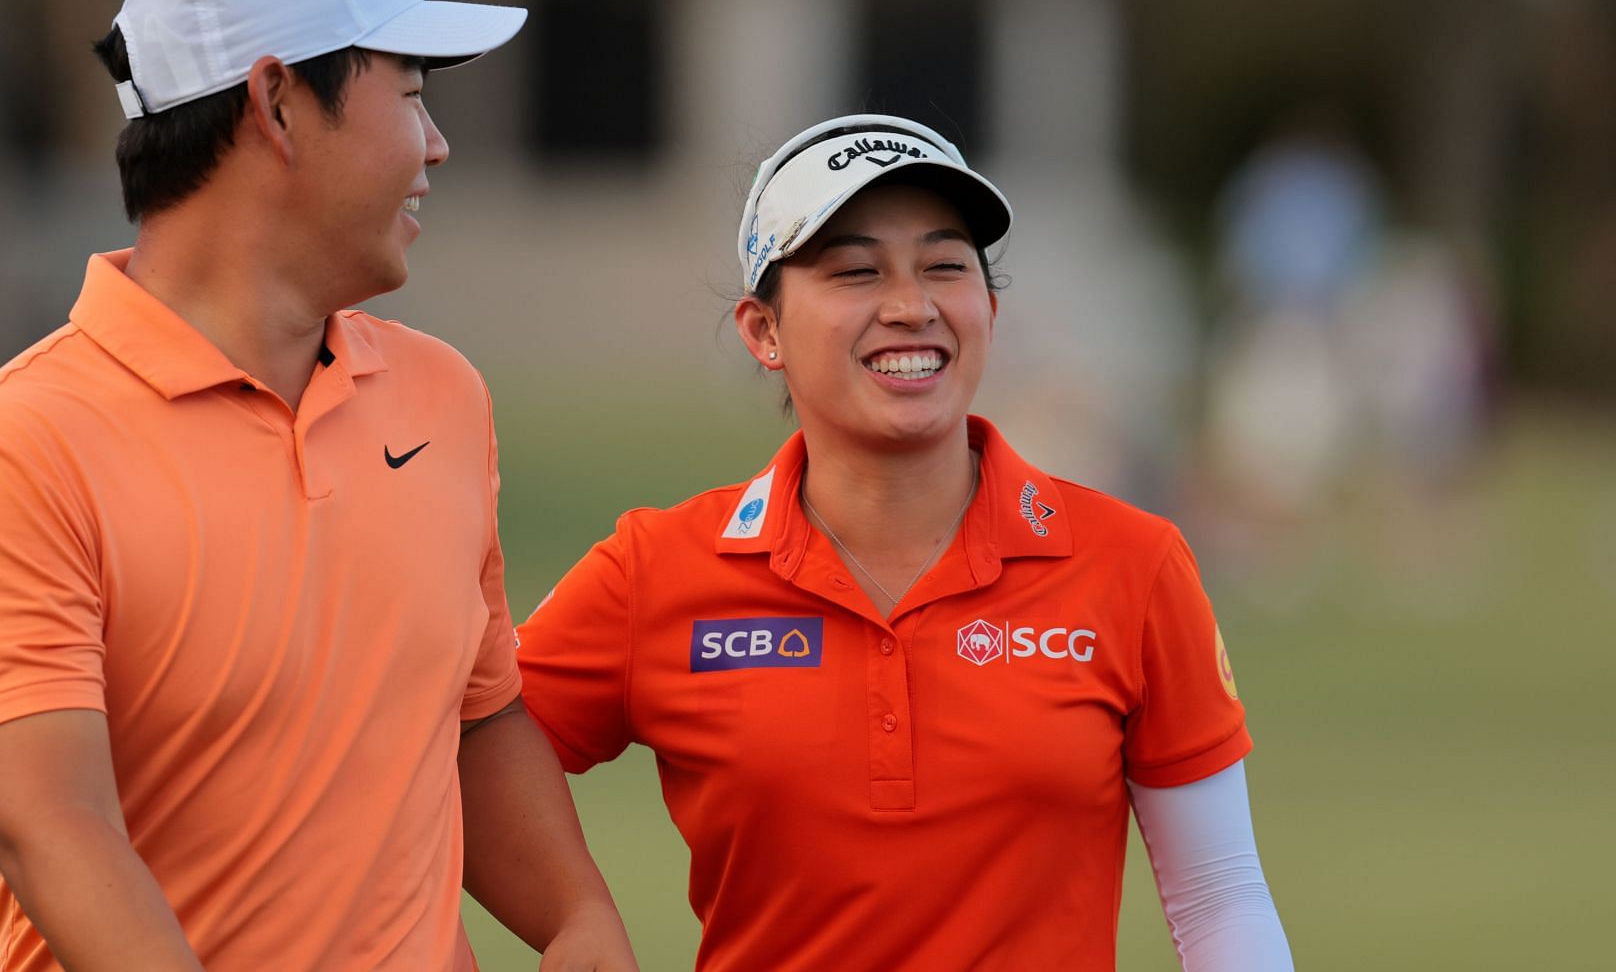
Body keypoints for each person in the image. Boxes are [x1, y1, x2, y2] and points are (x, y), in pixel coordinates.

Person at [0, 0, 637, 972]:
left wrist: (578, 917)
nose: (439, 143)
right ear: (278, 103)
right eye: (412, 94)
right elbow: (53, 828)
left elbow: (474, 715)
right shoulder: (14, 453)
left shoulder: (443, 396)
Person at [516, 115, 1293, 970]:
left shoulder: (1132, 563)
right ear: (762, 331)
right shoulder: (654, 572)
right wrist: (572, 917)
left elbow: (1220, 899)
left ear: (989, 311)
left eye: (945, 266)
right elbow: (457, 754)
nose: (911, 307)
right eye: (855, 271)